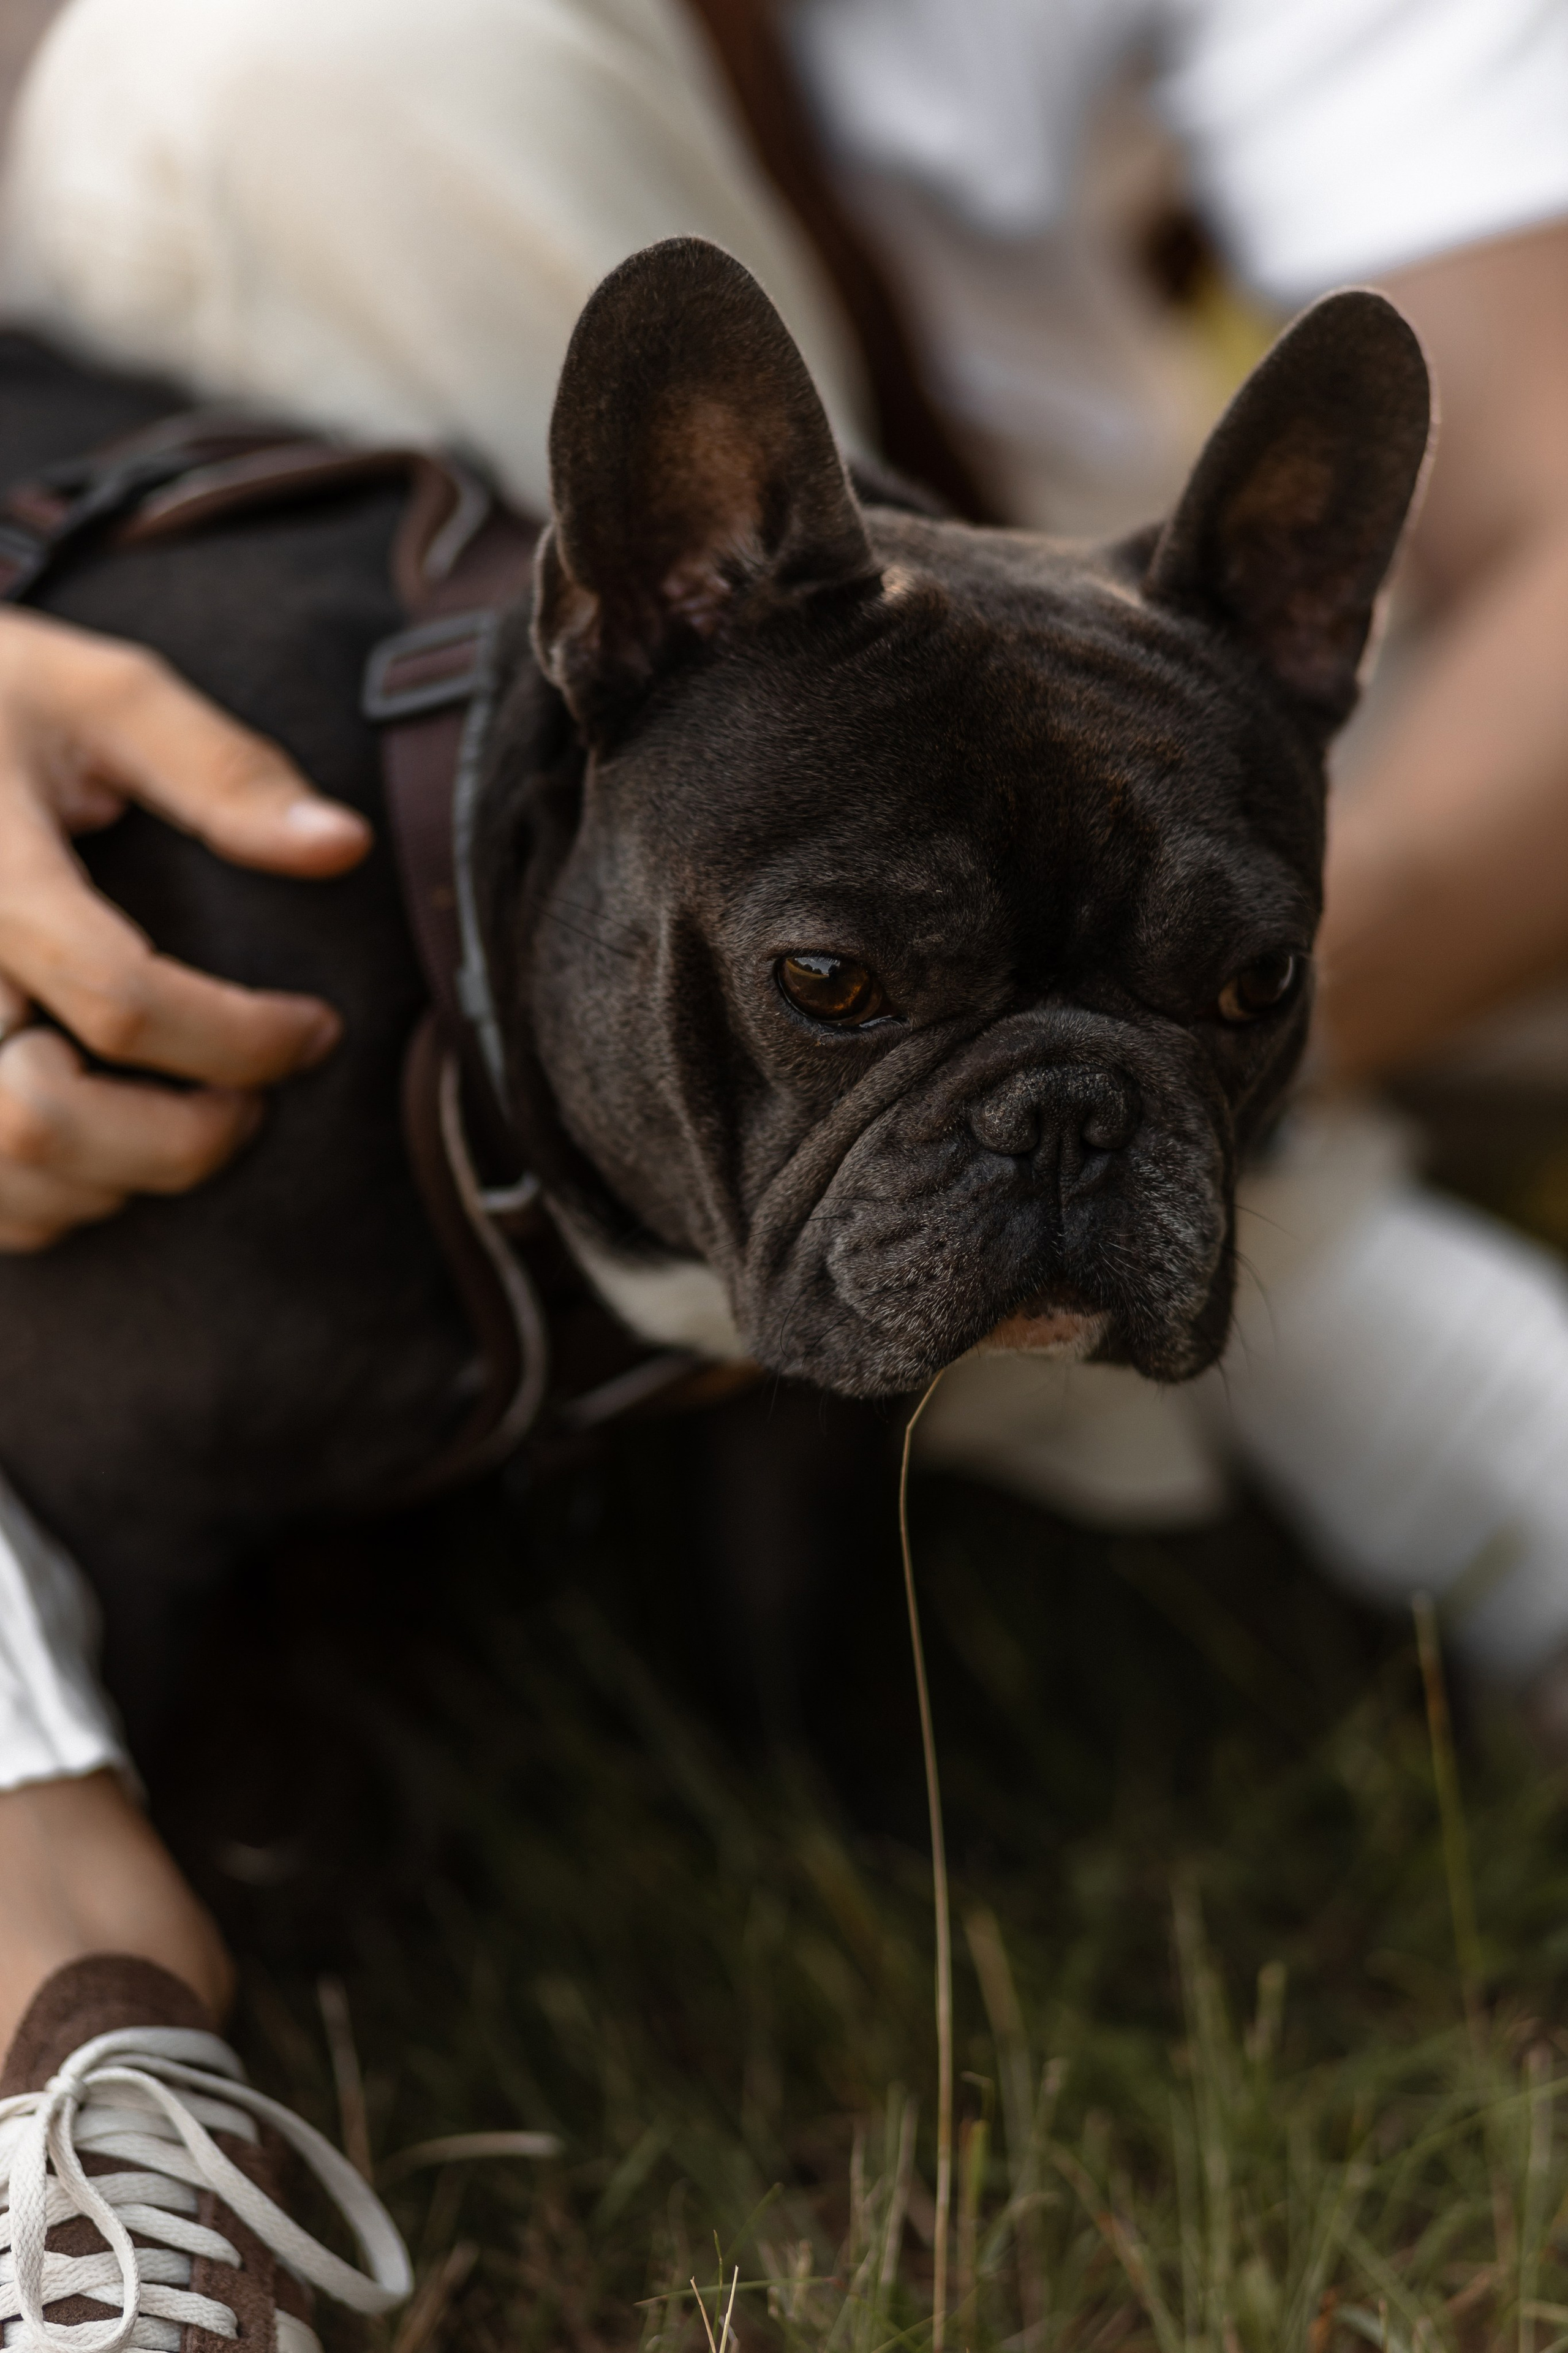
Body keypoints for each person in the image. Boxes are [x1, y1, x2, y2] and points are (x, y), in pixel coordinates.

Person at [0, 2, 1560, 2337]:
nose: (1053, 1122)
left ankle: (1264, 1234)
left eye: (1216, 1005)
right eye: (853, 995)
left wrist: (1117, 1083)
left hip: (985, 582)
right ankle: (80, 1993)